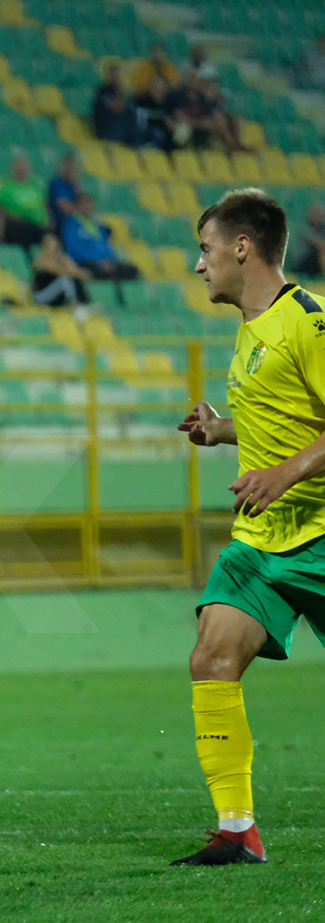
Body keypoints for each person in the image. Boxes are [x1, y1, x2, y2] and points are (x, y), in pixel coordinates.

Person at [170, 190, 325, 865]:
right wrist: (221, 430)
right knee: (212, 656)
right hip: (263, 541)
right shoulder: (251, 327)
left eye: (205, 249)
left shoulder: (308, 323)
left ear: (242, 247)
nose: (198, 265)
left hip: (318, 532)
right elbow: (281, 421)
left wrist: (287, 473)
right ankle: (237, 829)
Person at [60, 193, 137, 281]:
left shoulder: (98, 227)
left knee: (131, 270)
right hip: (85, 263)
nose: (87, 206)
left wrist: (112, 261)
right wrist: (98, 261)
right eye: (84, 203)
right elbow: (73, 249)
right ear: (77, 205)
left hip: (105, 263)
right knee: (100, 271)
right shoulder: (71, 224)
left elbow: (107, 247)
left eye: (90, 203)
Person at [0, 155, 47, 253]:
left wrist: (47, 220)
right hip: (17, 224)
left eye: (23, 167)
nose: (21, 169)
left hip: (38, 225)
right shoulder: (6, 186)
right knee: (23, 230)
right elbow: (1, 209)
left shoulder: (36, 185)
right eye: (18, 167)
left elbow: (43, 205)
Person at [30, 233, 90, 308]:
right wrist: (72, 271)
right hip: (41, 296)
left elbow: (82, 274)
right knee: (64, 280)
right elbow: (58, 271)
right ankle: (75, 305)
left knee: (76, 281)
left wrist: (72, 269)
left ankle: (84, 304)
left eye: (54, 242)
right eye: (49, 243)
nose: (52, 246)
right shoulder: (41, 259)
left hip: (56, 296)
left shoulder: (62, 257)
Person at [91, 63, 133, 145]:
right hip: (105, 130)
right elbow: (117, 107)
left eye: (117, 75)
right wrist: (121, 90)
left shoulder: (117, 90)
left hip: (118, 127)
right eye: (113, 75)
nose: (116, 77)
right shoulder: (103, 90)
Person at [290, 202, 325, 278]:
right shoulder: (305, 228)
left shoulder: (322, 228)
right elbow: (319, 243)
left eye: (319, 213)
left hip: (316, 264)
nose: (317, 216)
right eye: (315, 213)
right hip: (304, 262)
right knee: (322, 250)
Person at [47, 153, 81, 230]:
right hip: (61, 222)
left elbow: (82, 201)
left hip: (73, 222)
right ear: (64, 166)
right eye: (69, 166)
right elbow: (64, 206)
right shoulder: (57, 184)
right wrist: (79, 212)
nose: (72, 169)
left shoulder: (75, 185)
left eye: (73, 167)